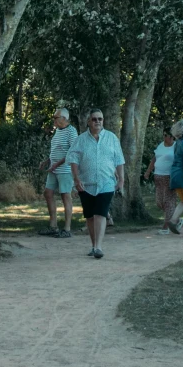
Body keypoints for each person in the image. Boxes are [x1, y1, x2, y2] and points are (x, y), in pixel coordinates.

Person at [68, 108, 125, 259]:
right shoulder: (80, 140)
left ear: (103, 121)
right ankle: (93, 245)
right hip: (85, 184)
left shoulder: (112, 138)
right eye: (94, 119)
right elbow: (73, 160)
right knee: (90, 216)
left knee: (100, 213)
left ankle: (98, 247)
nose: (97, 122)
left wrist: (121, 179)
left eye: (100, 119)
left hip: (106, 183)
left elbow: (119, 160)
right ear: (88, 122)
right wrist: (76, 179)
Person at [41, 106, 77, 237]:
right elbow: (56, 149)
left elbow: (72, 152)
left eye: (56, 117)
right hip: (53, 168)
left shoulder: (71, 131)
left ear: (64, 118)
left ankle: (67, 229)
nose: (54, 119)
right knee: (48, 193)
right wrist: (47, 161)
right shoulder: (58, 131)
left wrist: (56, 164)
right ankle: (53, 226)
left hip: (65, 170)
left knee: (65, 196)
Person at [148, 126, 178, 232]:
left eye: (166, 135)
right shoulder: (161, 145)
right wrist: (148, 171)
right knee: (159, 202)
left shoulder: (176, 146)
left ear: (171, 137)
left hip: (169, 177)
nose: (164, 137)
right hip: (158, 177)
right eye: (164, 135)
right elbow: (155, 158)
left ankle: (166, 227)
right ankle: (175, 220)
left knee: (168, 202)